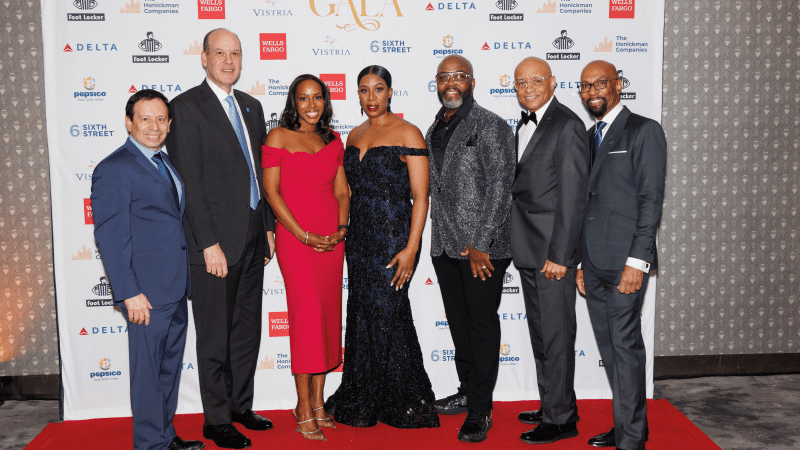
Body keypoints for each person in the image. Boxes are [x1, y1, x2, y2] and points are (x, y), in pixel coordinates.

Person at [165, 28, 276, 450]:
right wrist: (207, 242)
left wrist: (266, 225)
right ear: (204, 58)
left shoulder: (251, 105)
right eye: (220, 53)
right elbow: (188, 181)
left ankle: (239, 406)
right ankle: (215, 420)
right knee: (214, 333)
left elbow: (258, 172)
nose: (229, 61)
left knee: (246, 328)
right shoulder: (186, 107)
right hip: (213, 245)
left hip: (251, 236)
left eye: (235, 53)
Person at [324, 65, 440, 429]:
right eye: (363, 90)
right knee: (362, 312)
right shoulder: (355, 134)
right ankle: (365, 394)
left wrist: (411, 248)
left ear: (391, 92)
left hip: (394, 235)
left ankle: (404, 398)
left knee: (388, 313)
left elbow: (421, 198)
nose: (371, 97)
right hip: (359, 237)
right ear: (357, 95)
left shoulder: (408, 132)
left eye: (378, 89)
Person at [91, 89, 202, 450]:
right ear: (129, 122)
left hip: (174, 288)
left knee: (167, 371)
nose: (153, 127)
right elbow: (110, 237)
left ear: (169, 124)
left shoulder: (163, 161)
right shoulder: (114, 169)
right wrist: (127, 292)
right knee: (146, 376)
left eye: (160, 119)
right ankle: (149, 445)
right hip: (145, 294)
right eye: (144, 119)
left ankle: (164, 437)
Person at [576, 60, 666, 450]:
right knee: (610, 348)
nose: (592, 91)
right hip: (592, 262)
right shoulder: (587, 135)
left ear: (618, 85)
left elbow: (650, 200)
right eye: (584, 86)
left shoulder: (643, 130)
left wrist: (638, 261)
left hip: (626, 261)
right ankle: (629, 425)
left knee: (625, 345)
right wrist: (580, 261)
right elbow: (585, 201)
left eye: (600, 83)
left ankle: (631, 441)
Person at [426, 55, 516, 442]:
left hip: (484, 248)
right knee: (459, 325)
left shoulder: (492, 126)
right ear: (436, 82)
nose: (451, 82)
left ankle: (481, 409)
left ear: (472, 82)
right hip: (445, 245)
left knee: (480, 326)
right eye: (444, 77)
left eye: (459, 76)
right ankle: (468, 390)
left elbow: (501, 188)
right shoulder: (435, 127)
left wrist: (479, 244)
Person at [262, 74, 349, 441]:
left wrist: (342, 229)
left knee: (328, 317)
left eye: (317, 98)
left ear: (325, 101)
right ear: (293, 103)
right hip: (298, 240)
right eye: (303, 99)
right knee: (307, 319)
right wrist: (303, 235)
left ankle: (317, 402)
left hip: (333, 238)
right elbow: (271, 192)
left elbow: (342, 190)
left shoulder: (332, 139)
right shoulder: (278, 137)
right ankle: (302, 404)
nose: (311, 106)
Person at [510, 57, 589, 444]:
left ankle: (560, 420)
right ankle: (555, 403)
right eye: (520, 82)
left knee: (556, 337)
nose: (528, 87)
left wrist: (562, 256)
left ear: (553, 82)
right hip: (528, 249)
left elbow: (573, 199)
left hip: (552, 255)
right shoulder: (524, 123)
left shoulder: (568, 125)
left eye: (536, 80)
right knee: (543, 336)